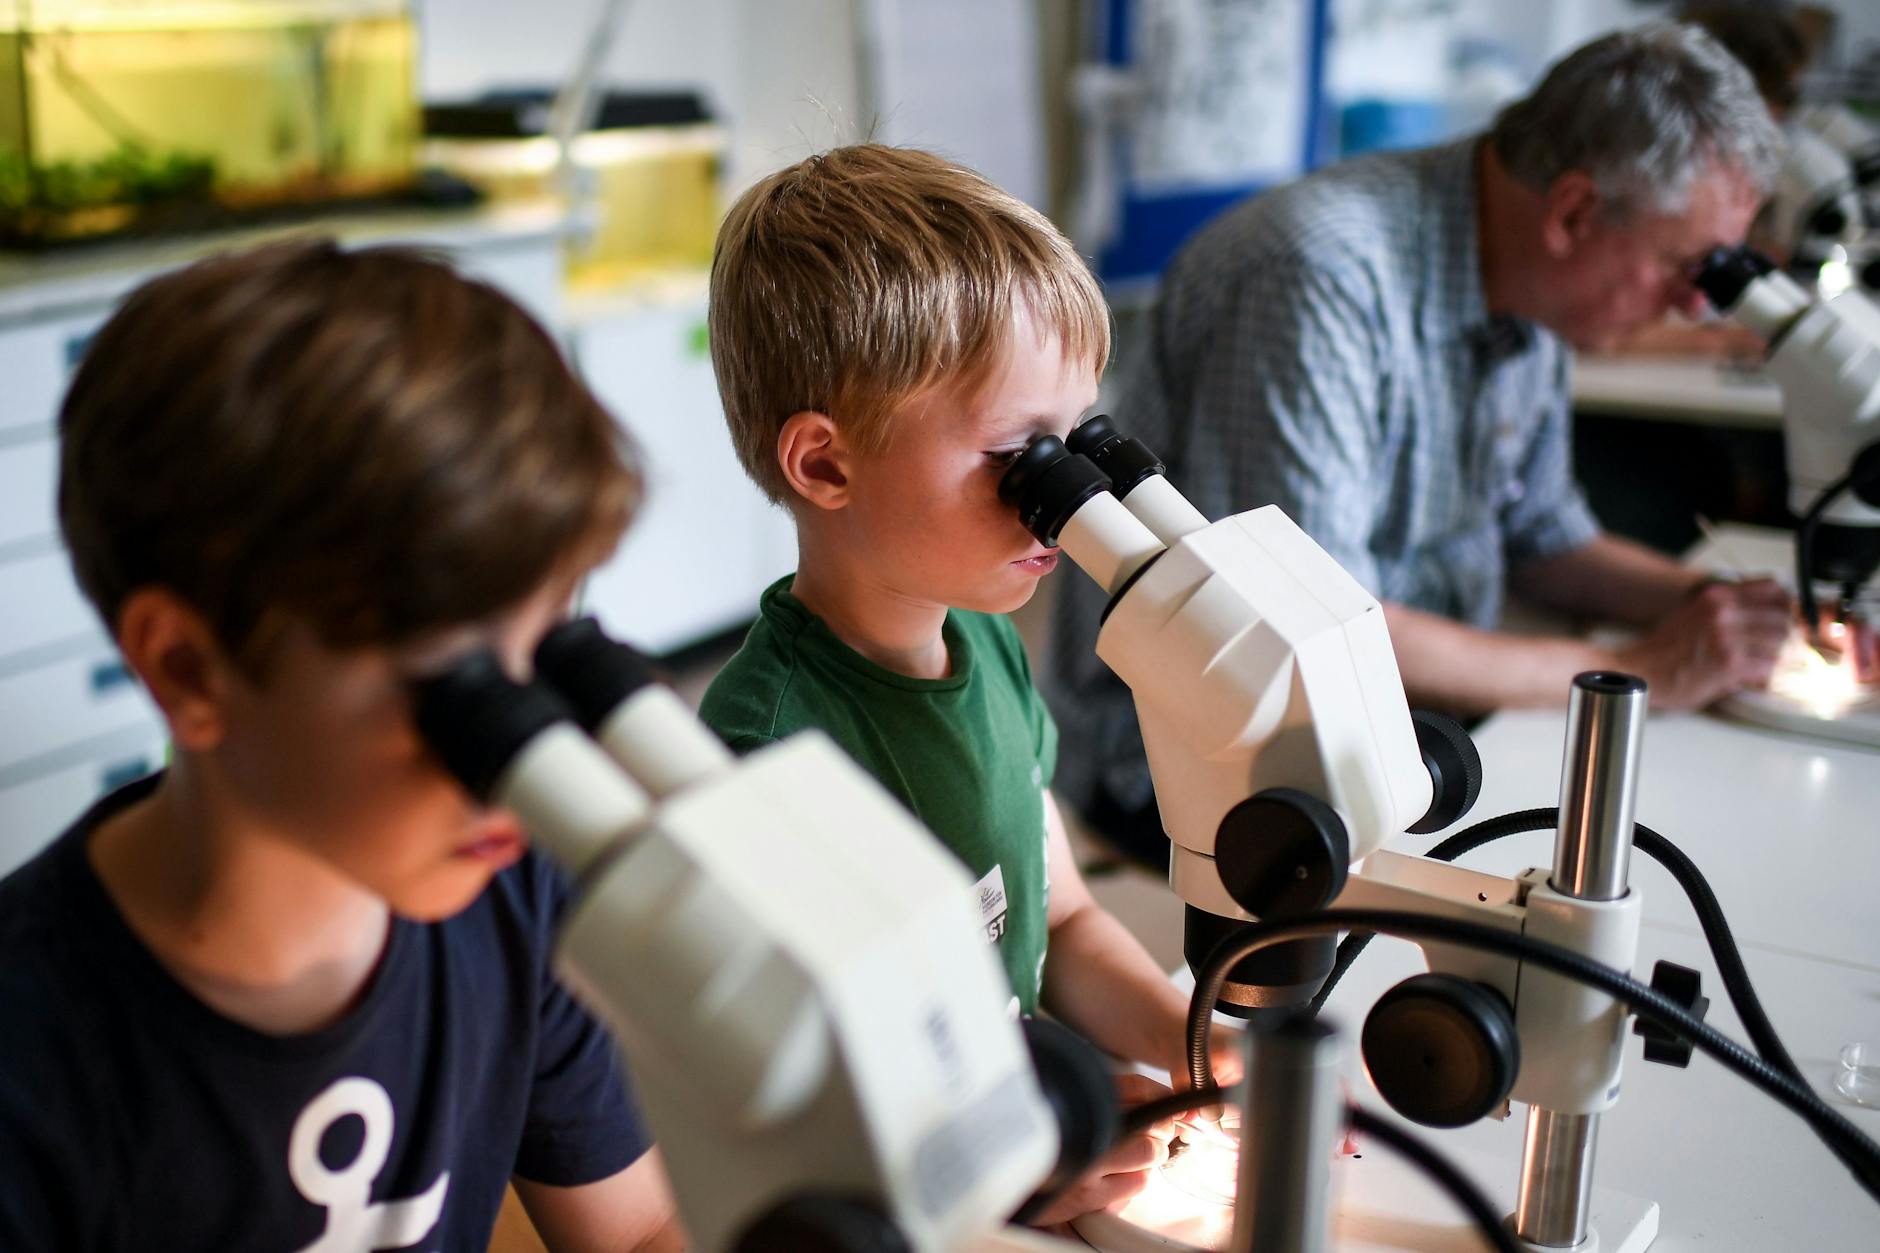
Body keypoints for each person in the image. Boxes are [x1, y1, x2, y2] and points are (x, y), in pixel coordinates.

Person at [0, 241, 682, 1250]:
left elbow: (635, 1231)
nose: (530, 753)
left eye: (550, 646)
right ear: (190, 668)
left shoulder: (517, 894)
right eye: (461, 689)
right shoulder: (34, 1068)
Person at [1047, 23, 1799, 869]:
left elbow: (1547, 541)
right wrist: (1633, 672)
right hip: (1206, 763)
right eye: (1683, 267)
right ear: (1577, 212)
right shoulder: (1317, 274)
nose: (1697, 308)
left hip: (1403, 721)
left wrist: (1729, 612)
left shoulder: (1530, 288)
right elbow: (1311, 632)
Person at [699, 143, 1235, 1224]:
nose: (1068, 496)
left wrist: (1195, 1042)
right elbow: (781, 1098)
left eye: (1074, 440)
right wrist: (1003, 1169)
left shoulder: (987, 644)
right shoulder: (763, 751)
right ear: (826, 464)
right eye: (1020, 458)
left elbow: (1068, 920)